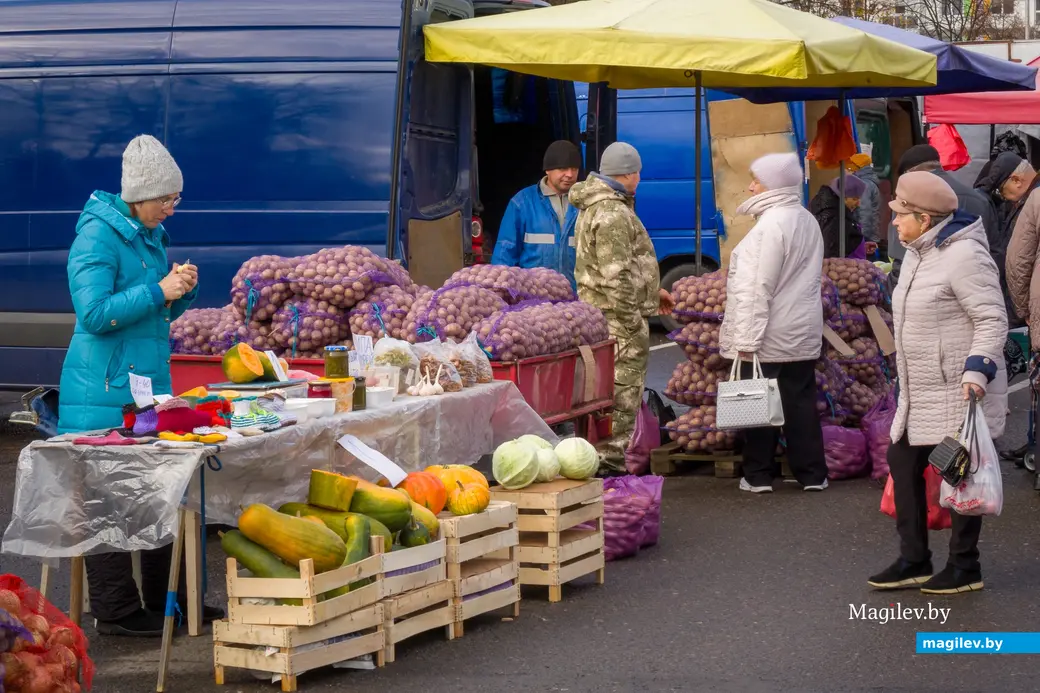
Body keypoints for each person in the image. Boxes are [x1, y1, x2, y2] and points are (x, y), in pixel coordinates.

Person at [57, 135, 221, 636]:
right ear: (140, 193)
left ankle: (170, 603)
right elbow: (95, 313)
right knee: (108, 505)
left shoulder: (148, 235)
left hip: (145, 390)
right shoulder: (97, 236)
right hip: (100, 396)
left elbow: (151, 314)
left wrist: (179, 295)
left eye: (176, 199)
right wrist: (157, 289)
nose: (172, 209)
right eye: (166, 199)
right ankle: (117, 613)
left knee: (159, 497)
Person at [868, 172, 1007, 595]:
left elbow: (991, 318)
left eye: (900, 215)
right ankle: (915, 560)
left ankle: (966, 567)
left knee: (958, 473)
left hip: (957, 389)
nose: (893, 222)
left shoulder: (965, 256)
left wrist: (977, 371)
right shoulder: (917, 253)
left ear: (925, 219)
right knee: (902, 462)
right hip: (919, 388)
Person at [718, 152, 829, 493]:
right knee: (800, 404)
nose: (750, 186)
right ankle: (812, 475)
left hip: (769, 334)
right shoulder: (806, 220)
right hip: (802, 330)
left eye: (756, 181)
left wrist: (745, 342)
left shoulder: (769, 227)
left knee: (758, 403)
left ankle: (758, 475)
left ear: (771, 187)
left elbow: (755, 289)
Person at [570, 142, 673, 475]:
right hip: (617, 319)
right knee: (622, 395)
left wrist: (652, 293)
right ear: (628, 173)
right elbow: (616, 276)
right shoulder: (613, 213)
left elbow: (613, 266)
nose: (640, 178)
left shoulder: (594, 207)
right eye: (638, 172)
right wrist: (631, 322)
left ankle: (600, 461)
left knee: (602, 394)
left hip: (600, 313)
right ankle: (611, 465)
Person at [890, 145, 999, 289]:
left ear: (909, 173)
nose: (895, 222)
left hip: (922, 295)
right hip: (975, 287)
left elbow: (900, 259)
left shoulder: (908, 201)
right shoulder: (979, 199)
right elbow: (995, 251)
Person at [491, 140, 582, 289]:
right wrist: (500, 290)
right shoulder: (522, 203)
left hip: (575, 298)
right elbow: (505, 252)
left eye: (574, 169)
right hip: (533, 298)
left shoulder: (584, 204)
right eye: (563, 168)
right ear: (548, 170)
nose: (570, 175)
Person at [809, 173, 868, 259]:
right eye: (855, 199)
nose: (858, 204)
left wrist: (861, 245)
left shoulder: (839, 211)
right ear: (843, 197)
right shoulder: (833, 217)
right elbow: (831, 251)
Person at [848, 153, 882, 253]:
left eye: (850, 165)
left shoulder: (864, 184)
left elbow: (865, 213)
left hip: (866, 236)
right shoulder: (868, 181)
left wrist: (862, 238)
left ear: (857, 166)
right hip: (870, 233)